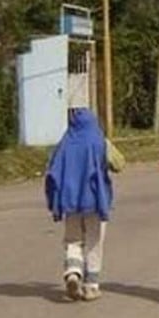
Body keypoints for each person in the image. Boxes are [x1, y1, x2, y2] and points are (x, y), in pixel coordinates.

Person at [45, 108, 121, 302]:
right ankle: (91, 286)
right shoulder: (99, 141)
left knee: (73, 240)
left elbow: (52, 170)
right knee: (94, 241)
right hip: (95, 200)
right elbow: (119, 163)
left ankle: (73, 272)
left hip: (70, 202)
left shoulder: (64, 143)